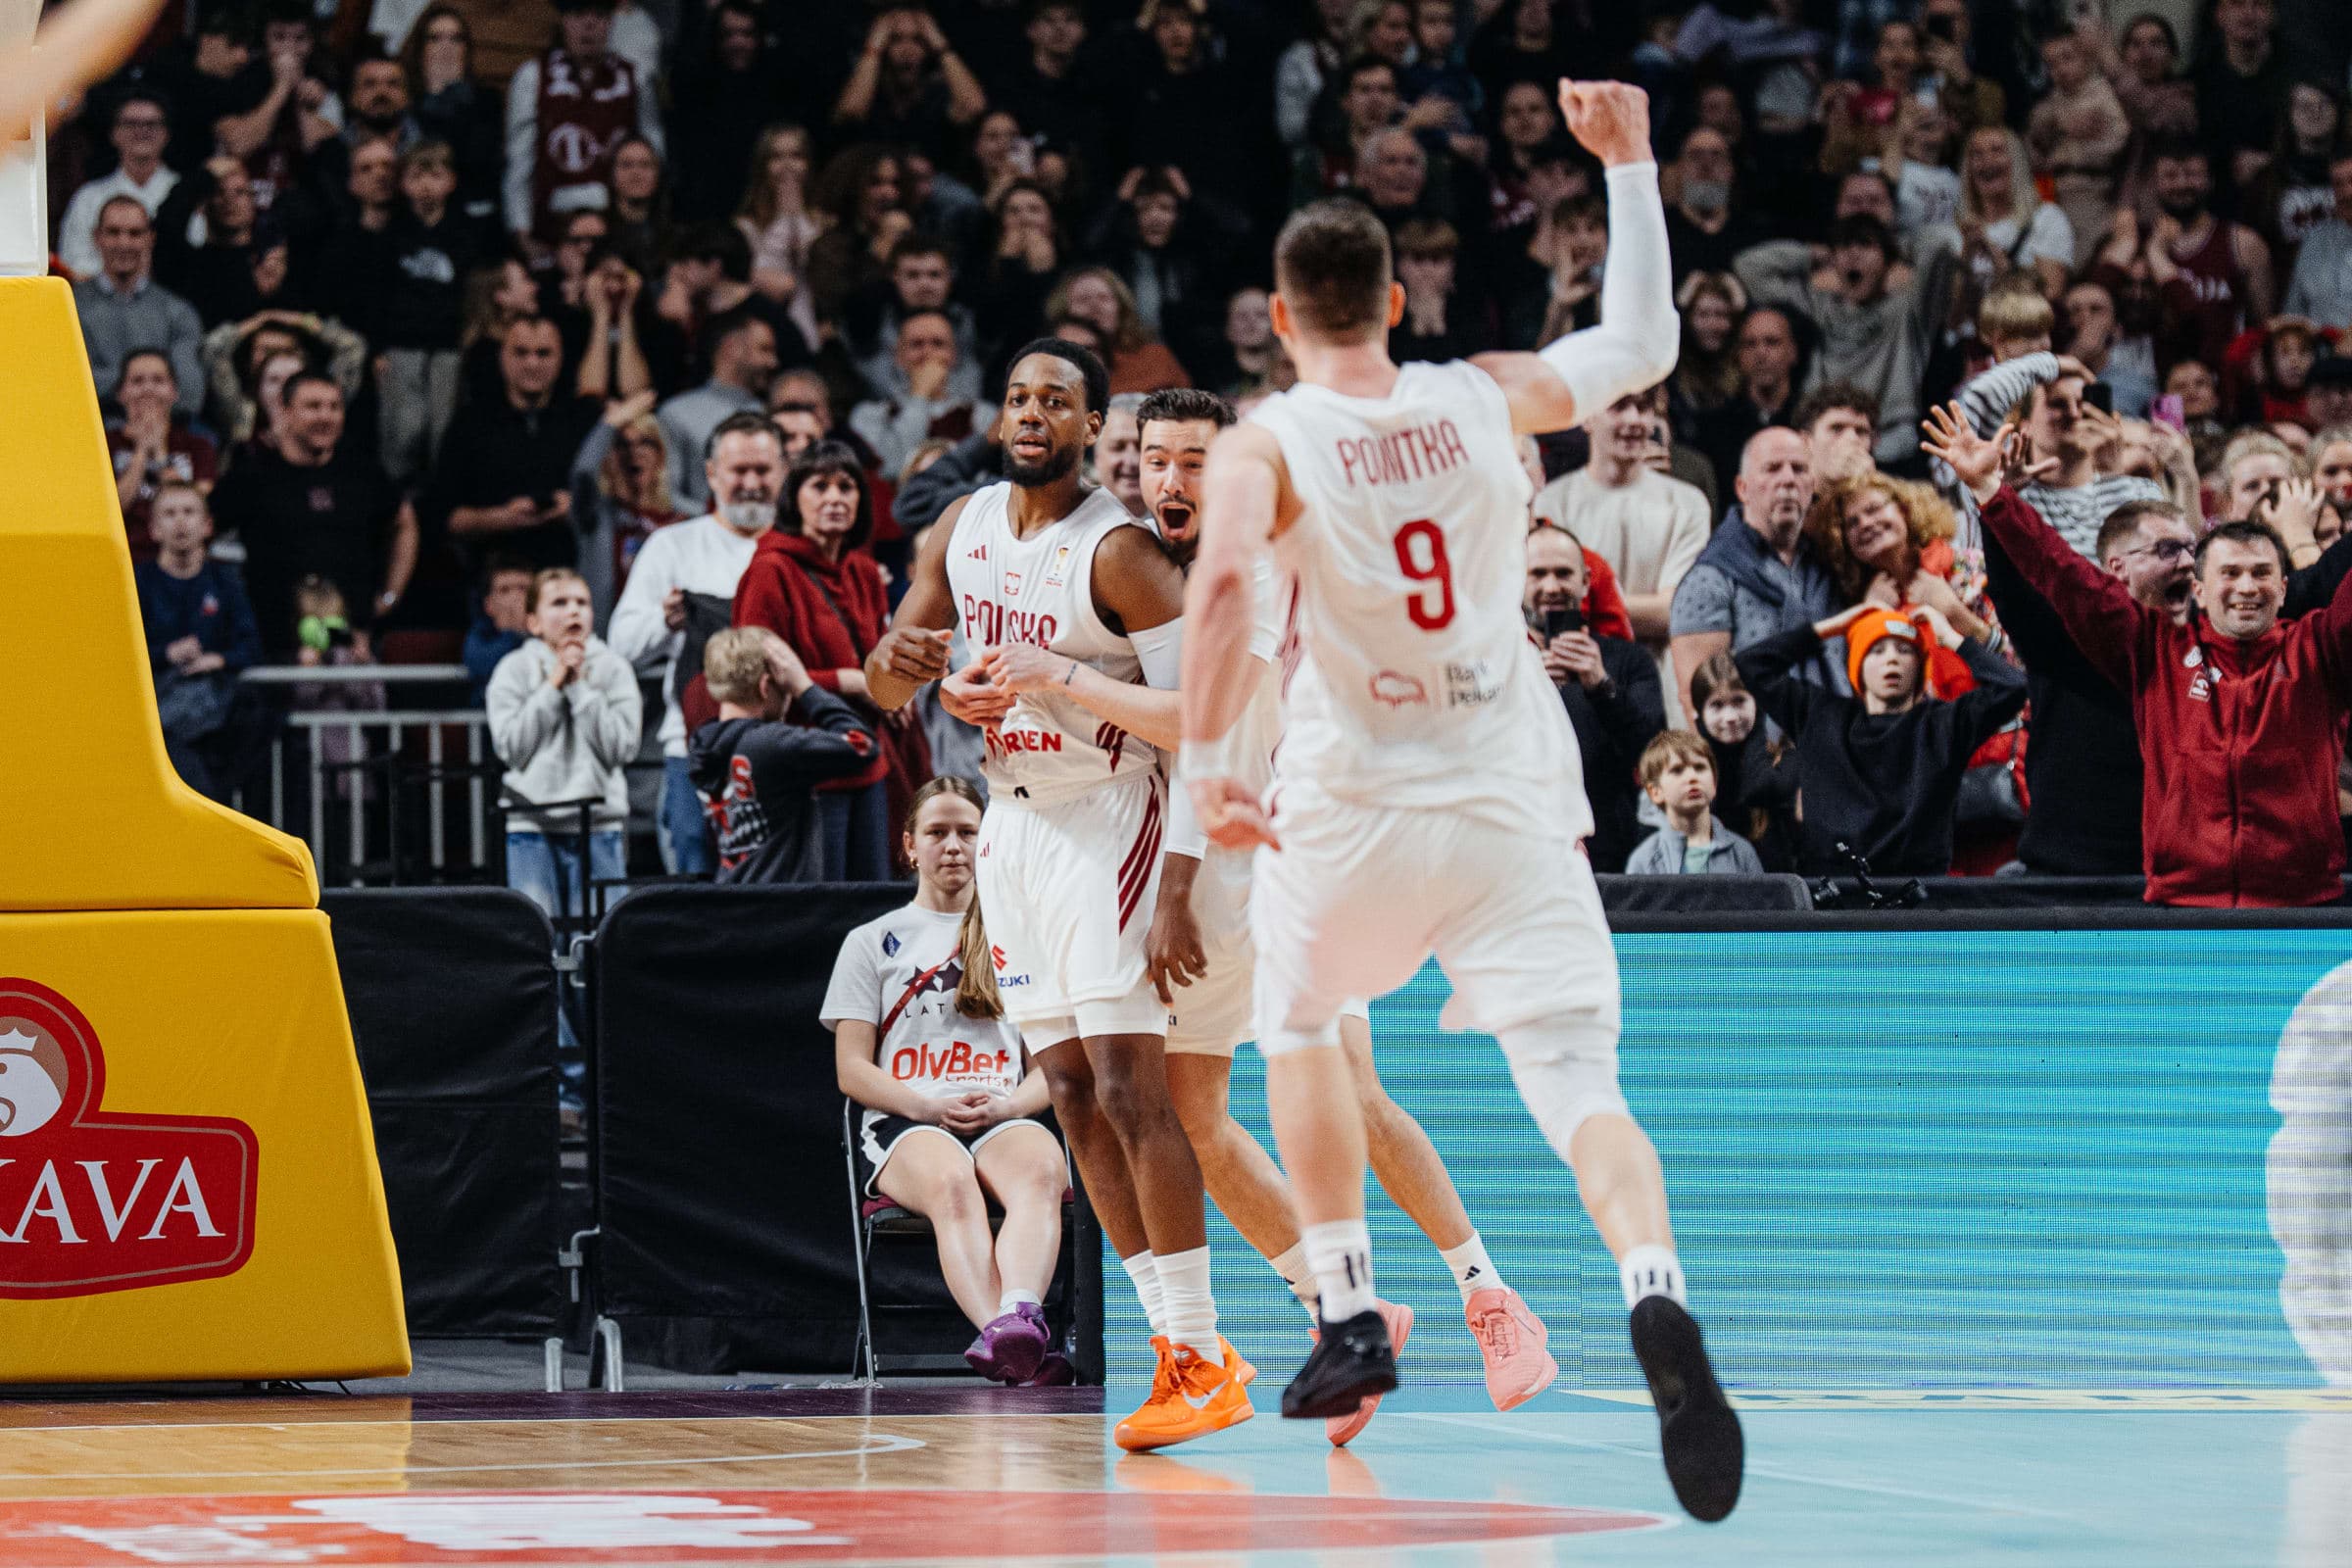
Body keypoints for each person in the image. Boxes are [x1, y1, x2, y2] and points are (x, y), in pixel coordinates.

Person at [1178, 84, 1741, 1522]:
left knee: (1302, 1022)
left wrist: (1209, 762)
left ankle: (1348, 1306)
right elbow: (1642, 346)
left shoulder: (1266, 442)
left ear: (1281, 317)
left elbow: (1227, 586)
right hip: (1509, 797)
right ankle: (1654, 1286)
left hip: (1353, 800)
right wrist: (1628, 165)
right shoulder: (1478, 393)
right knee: (1580, 1088)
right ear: (1392, 300)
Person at [1134, 388, 1564, 1446]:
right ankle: (1345, 1316)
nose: (1174, 481)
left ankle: (1489, 1295)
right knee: (1194, 1117)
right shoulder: (1142, 567)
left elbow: (1212, 727)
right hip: (1210, 861)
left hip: (1303, 853)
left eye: (1196, 462)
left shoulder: (1263, 562)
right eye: (1157, 461)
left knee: (1351, 1093)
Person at [863, 338, 1241, 1452]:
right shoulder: (962, 525)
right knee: (1069, 1093)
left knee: (1131, 1085)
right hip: (1013, 824)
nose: (1034, 413)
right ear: (1000, 419)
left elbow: (1203, 724)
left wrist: (1176, 887)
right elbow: (887, 678)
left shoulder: (1121, 553)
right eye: (1020, 397)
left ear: (1091, 429)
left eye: (1058, 401)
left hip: (1110, 813)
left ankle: (1198, 1345)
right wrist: (923, 671)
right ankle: (1181, 1348)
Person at [1928, 404, 2352, 908]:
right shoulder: (2154, 649)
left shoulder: (2318, 648)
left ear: (2284, 588)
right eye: (2230, 574)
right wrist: (1992, 493)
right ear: (2200, 587)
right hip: (2177, 908)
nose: (2246, 587)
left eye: (2261, 574)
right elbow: (2061, 571)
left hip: (2302, 908)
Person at [823, 777, 1071, 1386]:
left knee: (1045, 1170)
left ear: (986, 844)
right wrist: (926, 1108)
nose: (953, 846)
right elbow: (852, 1069)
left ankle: (1018, 1319)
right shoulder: (871, 942)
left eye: (967, 832)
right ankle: (1012, 1344)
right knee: (953, 1182)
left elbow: (1051, 1071)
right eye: (937, 832)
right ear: (910, 845)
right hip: (909, 1121)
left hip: (998, 1112)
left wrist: (1008, 1106)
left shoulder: (1021, 936)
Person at [609, 412, 784, 875]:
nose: (751, 483)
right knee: (693, 884)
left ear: (783, 471)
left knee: (775, 884)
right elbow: (621, 644)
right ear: (711, 474)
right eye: (739, 470)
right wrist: (664, 622)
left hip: (782, 746)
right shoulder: (672, 546)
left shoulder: (799, 550)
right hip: (691, 749)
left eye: (763, 470)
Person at [1737, 600, 2024, 876]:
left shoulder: (1943, 723)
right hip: (1836, 891)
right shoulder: (1820, 715)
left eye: (1904, 650)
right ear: (1858, 665)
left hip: (1920, 891)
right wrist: (1833, 626)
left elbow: (2013, 687)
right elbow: (1752, 665)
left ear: (1920, 667)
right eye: (1876, 650)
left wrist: (1949, 637)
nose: (1891, 659)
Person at [729, 441, 907, 879]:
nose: (835, 498)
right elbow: (756, 679)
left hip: (868, 761)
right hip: (806, 769)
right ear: (795, 497)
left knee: (874, 899)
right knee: (822, 903)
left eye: (846, 487)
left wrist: (895, 686)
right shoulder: (770, 570)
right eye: (819, 486)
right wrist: (852, 681)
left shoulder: (864, 570)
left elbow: (878, 655)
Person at [209, 371, 418, 659]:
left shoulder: (362, 472)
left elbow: (404, 522)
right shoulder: (251, 476)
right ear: (285, 411)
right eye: (313, 406)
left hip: (355, 644)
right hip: (275, 648)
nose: (326, 416)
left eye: (334, 407)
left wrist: (389, 597)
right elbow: (202, 530)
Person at [1533, 386, 1709, 721]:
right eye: (1619, 406)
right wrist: (1645, 609)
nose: (1634, 420)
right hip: (1573, 687)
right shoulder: (1552, 502)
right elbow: (1544, 608)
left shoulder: (1687, 504)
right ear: (1587, 416)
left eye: (1644, 408)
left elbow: (1676, 612)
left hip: (1661, 689)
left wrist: (1590, 608)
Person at [1735, 215, 1958, 470]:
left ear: (1887, 262)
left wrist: (1897, 248)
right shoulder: (1818, 307)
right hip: (1823, 442)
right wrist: (1813, 255)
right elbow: (1750, 268)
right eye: (1844, 246)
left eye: (1865, 245)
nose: (1853, 254)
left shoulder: (1909, 312)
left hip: (1888, 445)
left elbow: (1942, 242)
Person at [486, 567, 642, 924]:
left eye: (582, 602)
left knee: (600, 935)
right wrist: (553, 685)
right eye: (559, 603)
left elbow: (622, 748)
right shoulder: (513, 669)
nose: (573, 611)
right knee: (539, 936)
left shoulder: (614, 669)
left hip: (599, 825)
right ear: (534, 622)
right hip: (531, 827)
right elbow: (511, 747)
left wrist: (579, 688)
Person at [1669, 426, 1847, 719]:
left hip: (1839, 737)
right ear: (1743, 488)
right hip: (1763, 745)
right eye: (1772, 469)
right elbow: (1701, 709)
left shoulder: (1833, 565)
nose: (1788, 480)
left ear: (1812, 486)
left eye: (1799, 469)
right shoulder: (1709, 579)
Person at [1525, 522, 1666, 871]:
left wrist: (1602, 686)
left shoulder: (1629, 660)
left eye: (1563, 573)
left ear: (1586, 581)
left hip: (1612, 854)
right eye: (1537, 574)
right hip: (1522, 848)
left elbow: (1656, 754)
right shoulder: (1497, 664)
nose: (1551, 587)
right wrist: (1527, 687)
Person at [691, 627, 882, 883]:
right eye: (785, 687)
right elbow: (863, 745)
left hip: (731, 893)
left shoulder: (702, 744)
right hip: (781, 900)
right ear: (765, 686)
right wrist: (805, 687)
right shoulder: (772, 744)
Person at [136, 481, 263, 804]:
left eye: (189, 512)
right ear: (153, 529)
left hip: (215, 718)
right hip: (155, 710)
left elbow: (251, 644)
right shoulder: (137, 582)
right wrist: (166, 654)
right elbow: (117, 650)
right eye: (169, 513)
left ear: (207, 525)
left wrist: (218, 659)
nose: (180, 522)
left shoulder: (225, 581)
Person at [502, 0, 663, 249]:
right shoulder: (533, 77)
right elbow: (520, 163)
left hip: (618, 234)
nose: (589, 24)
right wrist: (522, 234)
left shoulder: (634, 78)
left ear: (611, 22)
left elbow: (653, 151)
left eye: (599, 14)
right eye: (578, 13)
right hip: (551, 231)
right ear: (563, 21)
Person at [73, 197, 205, 421]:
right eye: (113, 232)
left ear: (150, 239)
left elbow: (190, 392)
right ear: (97, 237)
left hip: (166, 430)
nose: (123, 243)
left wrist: (111, 383)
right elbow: (69, 387)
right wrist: (155, 382)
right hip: (91, 431)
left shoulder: (178, 312)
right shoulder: (71, 307)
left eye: (134, 233)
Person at [658, 309, 778, 511]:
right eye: (764, 349)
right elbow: (666, 493)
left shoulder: (771, 414)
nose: (773, 362)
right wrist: (721, 521)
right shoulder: (677, 413)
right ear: (732, 348)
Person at [106, 351, 219, 560]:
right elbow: (108, 513)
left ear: (174, 392)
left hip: (178, 562)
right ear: (120, 393)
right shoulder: (104, 444)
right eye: (137, 381)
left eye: (158, 380)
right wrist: (141, 451)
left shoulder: (199, 446)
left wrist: (159, 454)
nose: (148, 388)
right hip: (120, 557)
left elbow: (193, 509)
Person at [56, 92, 177, 281]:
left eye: (151, 124)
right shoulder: (88, 197)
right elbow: (73, 263)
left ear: (166, 134)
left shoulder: (184, 191)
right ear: (114, 133)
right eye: (131, 124)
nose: (141, 131)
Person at [1624, 731, 1765, 875]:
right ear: (1655, 792)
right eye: (1677, 770)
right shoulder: (1644, 860)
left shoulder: (1741, 852)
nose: (1692, 777)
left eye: (1699, 767)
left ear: (1714, 783)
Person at [2282, 149, 2352, 332]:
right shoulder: (2314, 240)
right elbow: (2294, 312)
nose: (2347, 193)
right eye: (2338, 184)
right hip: (2320, 346)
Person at [464, 557, 535, 705]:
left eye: (523, 589)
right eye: (505, 590)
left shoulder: (552, 629)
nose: (515, 597)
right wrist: (513, 633)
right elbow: (481, 666)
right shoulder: (481, 633)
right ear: (488, 604)